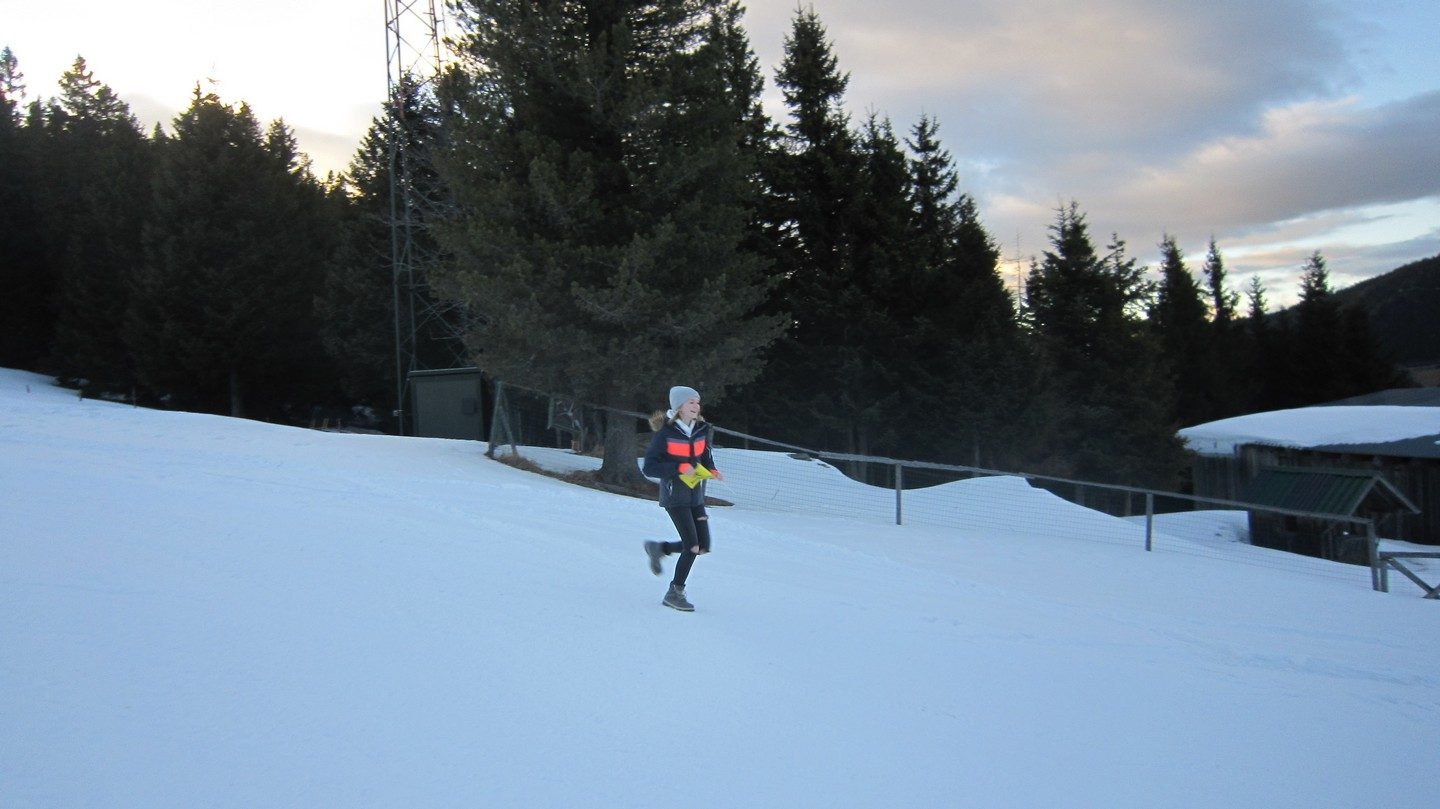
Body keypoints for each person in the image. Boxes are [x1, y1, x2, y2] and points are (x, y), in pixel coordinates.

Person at [642, 385, 724, 612]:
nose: (696, 406)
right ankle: (675, 592)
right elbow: (649, 467)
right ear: (679, 407)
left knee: (703, 546)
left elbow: (704, 454)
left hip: (695, 495)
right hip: (675, 497)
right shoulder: (665, 434)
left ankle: (660, 549)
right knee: (692, 546)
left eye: (697, 402)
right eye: (691, 402)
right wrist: (678, 468)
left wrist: (712, 469)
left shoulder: (700, 429)